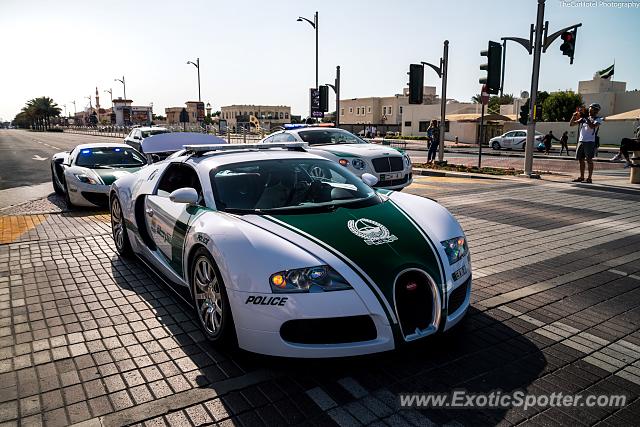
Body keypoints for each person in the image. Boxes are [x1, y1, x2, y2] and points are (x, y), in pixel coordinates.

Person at [569, 103, 603, 183]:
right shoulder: (584, 118)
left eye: (591, 110)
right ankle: (581, 177)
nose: (589, 111)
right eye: (589, 109)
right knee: (581, 160)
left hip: (590, 141)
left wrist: (585, 118)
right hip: (581, 141)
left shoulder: (598, 119)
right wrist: (573, 116)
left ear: (596, 111)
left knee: (589, 160)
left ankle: (589, 178)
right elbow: (571, 124)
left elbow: (592, 126)